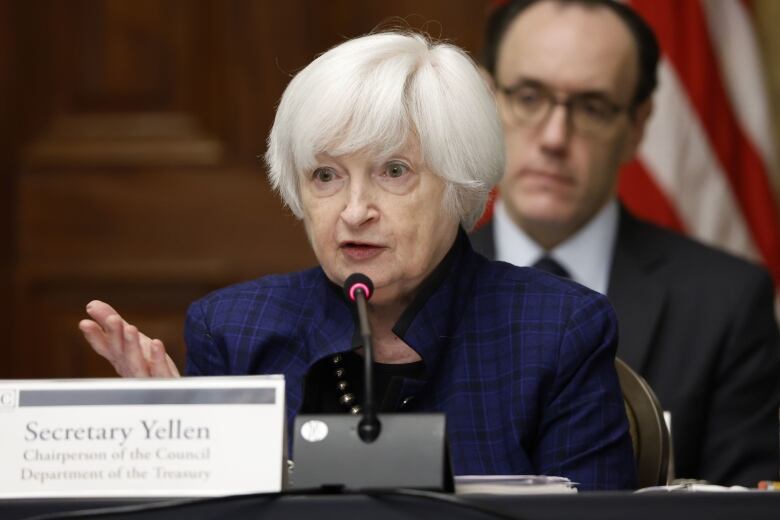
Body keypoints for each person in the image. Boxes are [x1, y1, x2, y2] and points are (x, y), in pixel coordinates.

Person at [79, 30, 637, 490]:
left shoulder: (558, 331)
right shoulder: (234, 331)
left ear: (459, 183)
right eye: (326, 175)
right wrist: (176, 451)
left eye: (394, 171)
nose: (354, 211)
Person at [472, 0, 780, 486]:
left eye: (592, 107)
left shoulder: (727, 304)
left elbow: (744, 506)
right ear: (488, 99)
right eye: (529, 96)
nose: (554, 136)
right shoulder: (415, 284)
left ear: (637, 127)